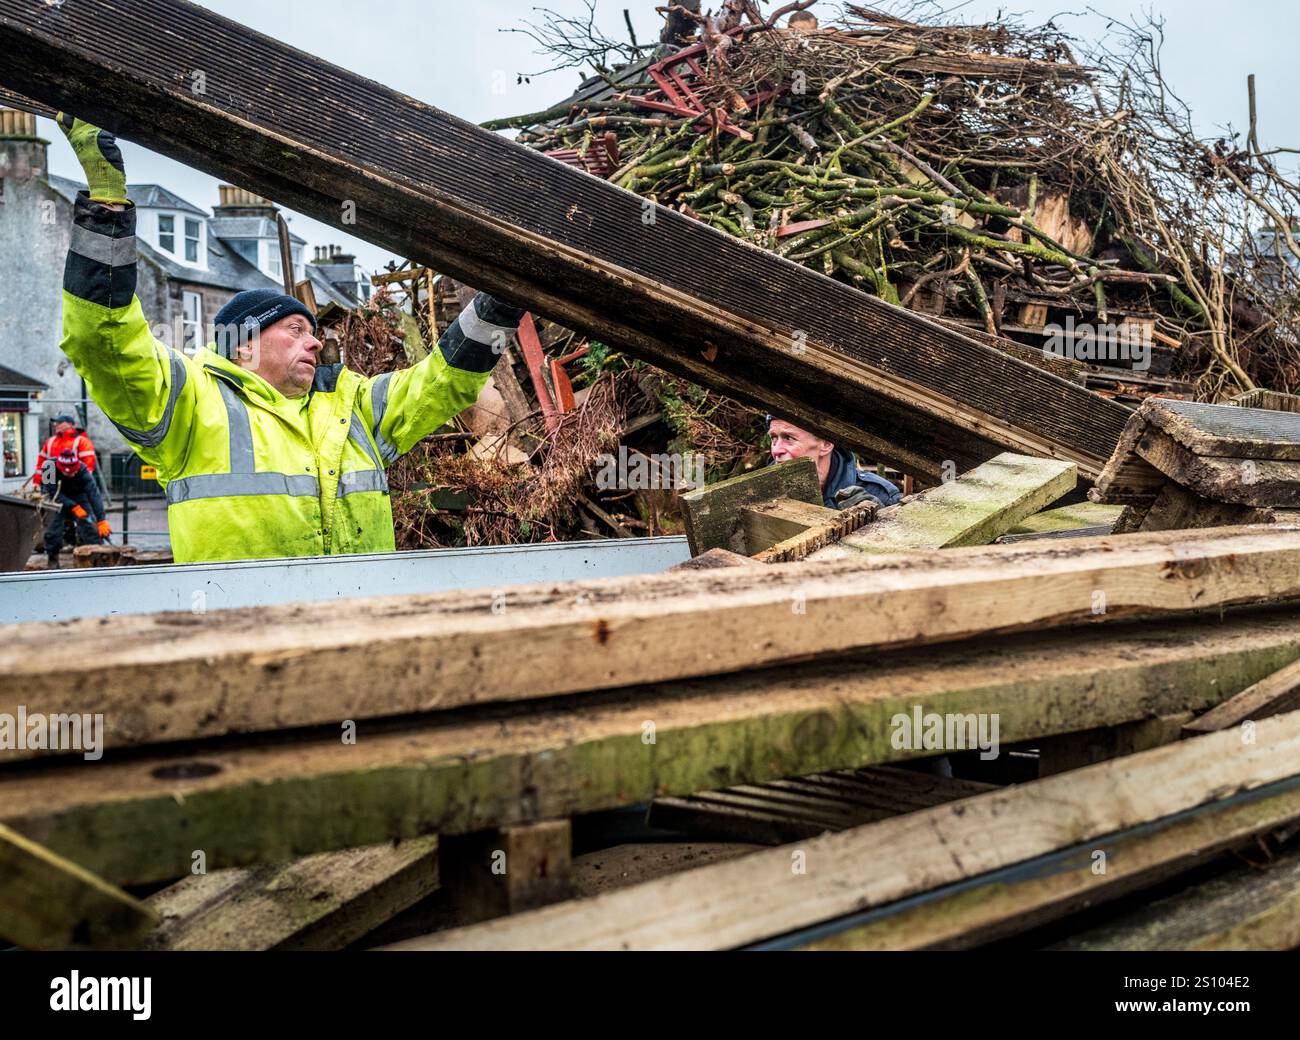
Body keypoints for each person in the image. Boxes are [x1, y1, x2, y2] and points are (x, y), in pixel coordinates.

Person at [55, 115, 524, 564]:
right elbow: (106, 342)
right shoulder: (189, 405)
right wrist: (107, 205)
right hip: (245, 635)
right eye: (295, 330)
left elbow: (441, 382)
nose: (316, 343)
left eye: (314, 332)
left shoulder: (353, 403)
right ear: (243, 345)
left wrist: (504, 299)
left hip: (358, 626)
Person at [767, 417, 902, 509]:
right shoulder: (761, 490)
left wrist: (878, 521)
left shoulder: (880, 494)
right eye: (774, 438)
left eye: (789, 438)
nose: (776, 450)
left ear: (826, 444)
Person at [39, 448, 110, 568]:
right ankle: (52, 558)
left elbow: (94, 494)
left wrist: (101, 519)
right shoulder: (48, 466)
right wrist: (73, 506)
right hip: (55, 497)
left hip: (78, 496)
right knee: (53, 529)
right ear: (60, 468)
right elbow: (50, 491)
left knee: (90, 527)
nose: (72, 474)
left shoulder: (82, 469)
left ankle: (97, 556)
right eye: (68, 473)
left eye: (74, 472)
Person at [32, 413, 98, 486]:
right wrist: (37, 482)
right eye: (55, 422)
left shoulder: (82, 441)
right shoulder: (50, 441)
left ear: (70, 424)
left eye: (59, 422)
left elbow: (88, 465)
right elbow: (42, 463)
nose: (55, 424)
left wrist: (81, 486)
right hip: (51, 485)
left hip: (72, 485)